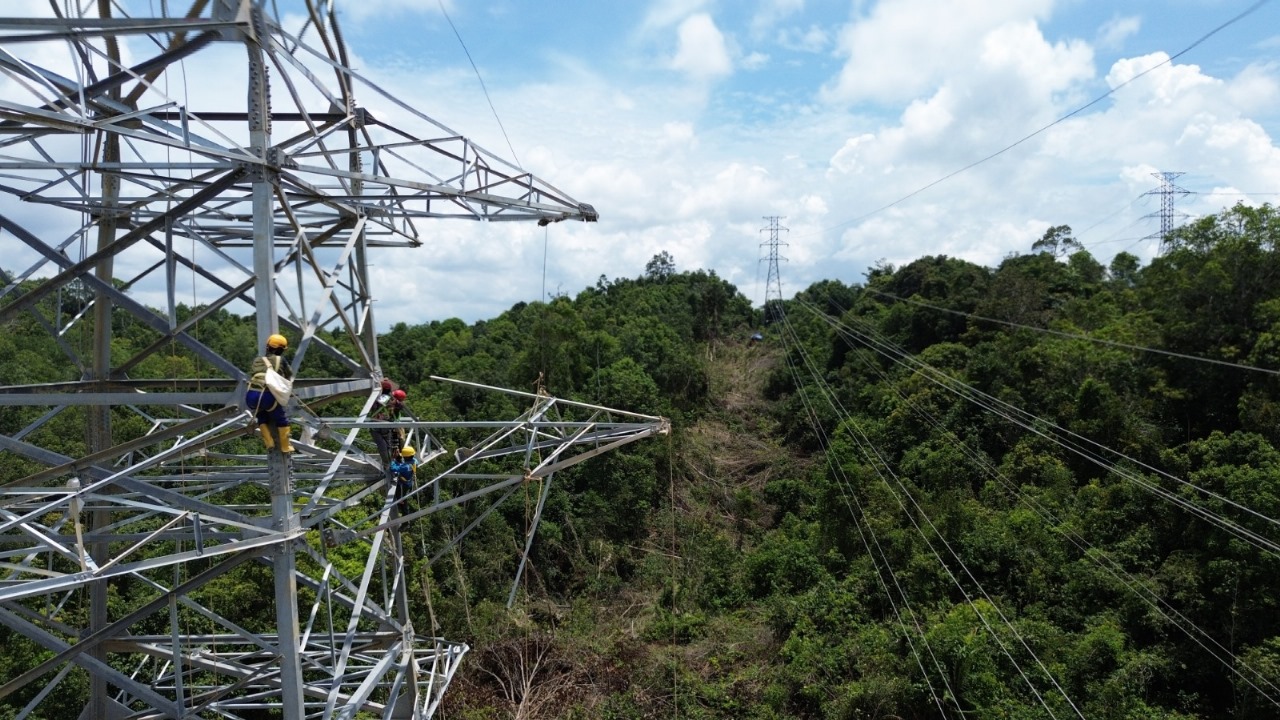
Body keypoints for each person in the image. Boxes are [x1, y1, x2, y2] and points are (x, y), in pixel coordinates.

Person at [246, 333, 293, 453]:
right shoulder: (281, 360)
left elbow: (252, 373)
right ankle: (285, 447)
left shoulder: (257, 359)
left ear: (268, 347)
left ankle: (269, 443)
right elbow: (289, 374)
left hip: (251, 396)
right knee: (282, 420)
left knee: (261, 416)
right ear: (280, 349)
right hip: (266, 396)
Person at [371, 384, 407, 472]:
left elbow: (400, 405)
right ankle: (388, 464)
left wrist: (391, 400)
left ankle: (394, 462)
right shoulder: (385, 401)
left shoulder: (397, 406)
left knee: (395, 445)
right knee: (385, 447)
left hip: (391, 428)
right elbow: (378, 404)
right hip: (382, 428)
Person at [388, 445, 417, 513]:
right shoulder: (415, 461)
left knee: (400, 498)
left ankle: (404, 509)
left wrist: (393, 459)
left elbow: (393, 468)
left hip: (403, 484)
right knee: (404, 495)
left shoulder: (405, 467)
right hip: (409, 482)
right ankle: (404, 506)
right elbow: (404, 463)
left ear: (405, 457)